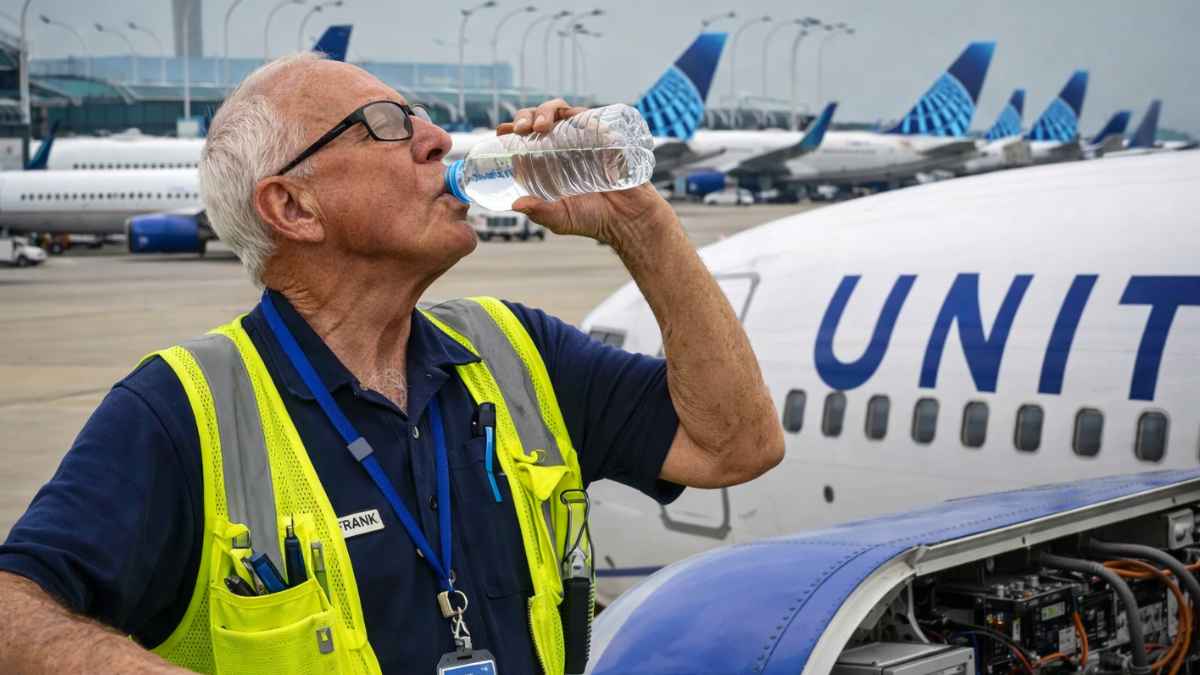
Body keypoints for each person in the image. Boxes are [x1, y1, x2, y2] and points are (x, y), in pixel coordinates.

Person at [0, 52, 784, 674]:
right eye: (385, 123)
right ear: (292, 208)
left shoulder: (515, 351)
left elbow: (736, 444)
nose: (438, 139)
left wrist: (636, 220)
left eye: (426, 119)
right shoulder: (183, 409)